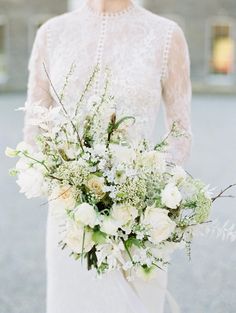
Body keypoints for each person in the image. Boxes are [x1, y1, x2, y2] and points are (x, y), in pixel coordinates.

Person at [23, 0, 192, 312]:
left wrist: (146, 190)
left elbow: (180, 131)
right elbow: (34, 130)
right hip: (71, 221)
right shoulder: (51, 33)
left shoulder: (166, 35)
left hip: (139, 222)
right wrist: (70, 184)